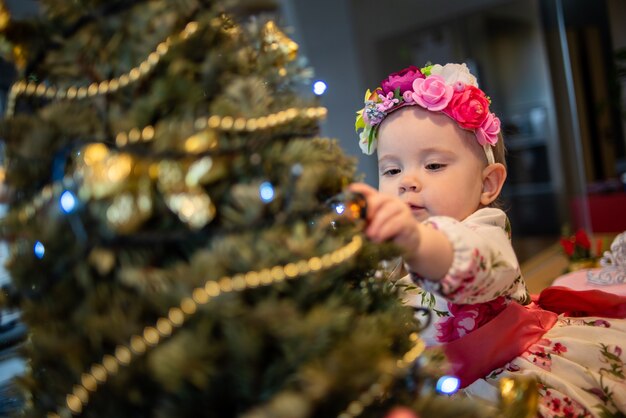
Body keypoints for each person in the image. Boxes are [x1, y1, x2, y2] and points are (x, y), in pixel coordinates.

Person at [350, 63, 626, 417]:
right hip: (427, 389)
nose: (407, 182)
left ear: (487, 185)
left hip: (505, 379)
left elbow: (478, 264)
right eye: (392, 170)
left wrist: (418, 242)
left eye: (433, 166)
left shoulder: (484, 230)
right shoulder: (386, 249)